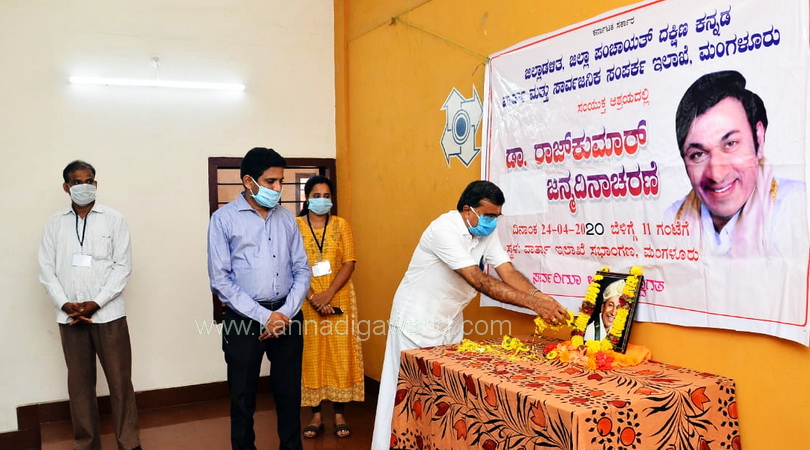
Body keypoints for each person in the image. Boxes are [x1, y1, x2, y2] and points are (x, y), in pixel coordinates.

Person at [371, 180, 569, 450]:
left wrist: (541, 298)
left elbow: (507, 271)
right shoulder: (443, 229)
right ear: (467, 210)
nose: (492, 222)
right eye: (488, 216)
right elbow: (478, 279)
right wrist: (534, 305)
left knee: (442, 395)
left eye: (496, 216)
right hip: (416, 319)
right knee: (405, 391)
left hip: (450, 320)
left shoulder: (485, 233)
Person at [207, 147, 311, 450]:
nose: (277, 188)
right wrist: (266, 317)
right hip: (245, 320)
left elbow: (302, 270)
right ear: (248, 181)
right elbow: (220, 280)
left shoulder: (287, 219)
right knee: (242, 398)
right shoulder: (223, 219)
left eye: (281, 181)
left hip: (288, 317)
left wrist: (284, 314)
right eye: (270, 182)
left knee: (289, 395)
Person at [38, 160, 142, 450]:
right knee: (80, 387)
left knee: (120, 383)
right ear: (66, 187)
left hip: (108, 315)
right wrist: (65, 304)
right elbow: (46, 270)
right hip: (70, 317)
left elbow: (123, 267)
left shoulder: (114, 219)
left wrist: (96, 303)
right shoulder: (54, 224)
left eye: (88, 181)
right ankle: (86, 444)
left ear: (95, 184)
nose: (83, 187)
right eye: (76, 182)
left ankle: (129, 443)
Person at [666, 70, 807, 257]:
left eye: (730, 144)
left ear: (759, 139)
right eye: (698, 155)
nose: (717, 175)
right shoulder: (671, 221)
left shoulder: (798, 208)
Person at [295, 176, 364, 439]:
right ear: (307, 198)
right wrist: (314, 297)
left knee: (339, 355)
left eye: (326, 196)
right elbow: (292, 265)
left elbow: (349, 262)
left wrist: (328, 295)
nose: (322, 200)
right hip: (306, 298)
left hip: (339, 296)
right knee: (311, 355)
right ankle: (315, 415)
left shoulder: (341, 225)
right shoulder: (295, 226)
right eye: (317, 195)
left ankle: (339, 414)